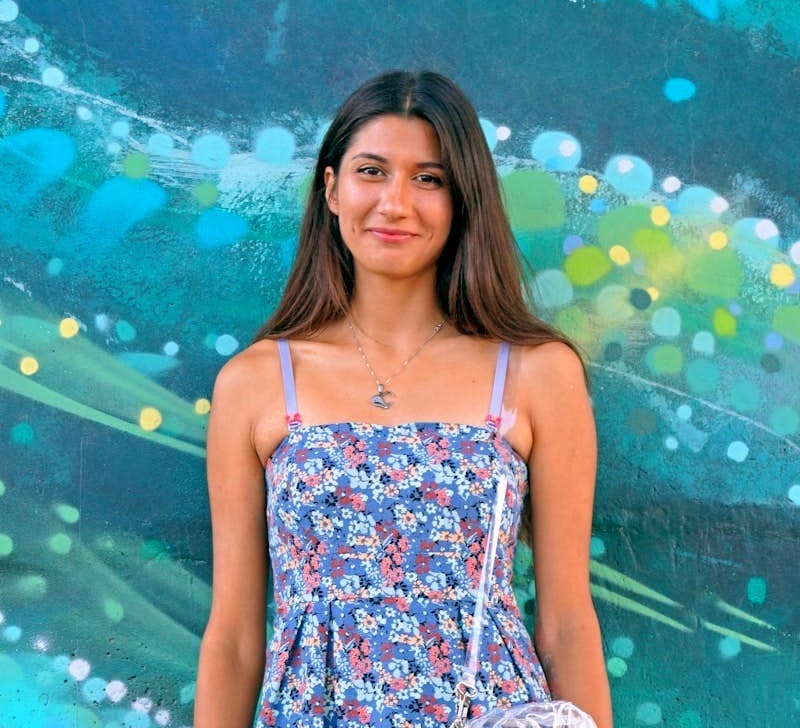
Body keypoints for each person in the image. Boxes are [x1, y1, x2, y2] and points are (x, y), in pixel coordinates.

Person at [194, 70, 613, 728]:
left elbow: (564, 623)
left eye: (429, 178)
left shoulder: (536, 372)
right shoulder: (255, 380)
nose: (395, 203)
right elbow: (235, 639)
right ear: (331, 189)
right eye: (371, 171)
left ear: (463, 200)